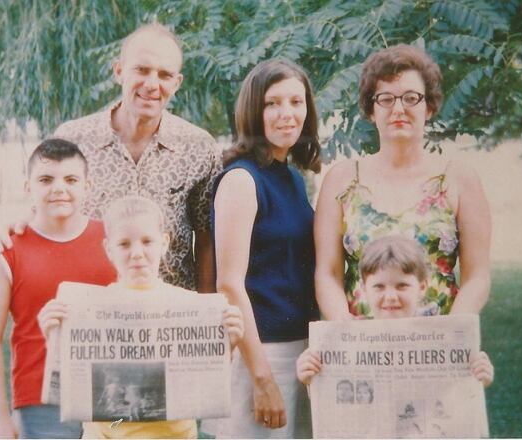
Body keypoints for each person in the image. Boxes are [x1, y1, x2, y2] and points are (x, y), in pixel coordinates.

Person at [0, 22, 222, 294]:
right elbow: (43, 214)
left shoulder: (199, 147)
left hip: (169, 311)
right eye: (142, 70)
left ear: (177, 83)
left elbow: (206, 240)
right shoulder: (73, 140)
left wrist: (206, 308)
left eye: (164, 75)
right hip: (92, 307)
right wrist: (11, 229)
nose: (151, 84)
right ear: (119, 71)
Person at [37, 196, 244, 439]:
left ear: (164, 243)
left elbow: (206, 383)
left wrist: (227, 344)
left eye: (147, 241)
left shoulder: (186, 304)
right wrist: (55, 335)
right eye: (124, 244)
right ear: (109, 249)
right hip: (108, 434)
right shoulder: (89, 308)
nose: (137, 253)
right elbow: (74, 382)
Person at [314, 44, 491, 319]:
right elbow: (328, 274)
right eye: (386, 99)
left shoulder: (459, 179)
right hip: (360, 341)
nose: (398, 108)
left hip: (438, 341)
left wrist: (452, 332)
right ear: (371, 110)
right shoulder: (341, 180)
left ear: (429, 107)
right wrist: (346, 331)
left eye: (411, 98)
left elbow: (477, 276)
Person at [210, 59, 321, 438]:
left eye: (296, 102)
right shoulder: (242, 180)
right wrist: (262, 377)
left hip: (301, 349)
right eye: (272, 103)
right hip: (260, 355)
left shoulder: (291, 177)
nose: (287, 113)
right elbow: (228, 285)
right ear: (253, 111)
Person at [0, 139, 118, 438]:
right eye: (45, 180)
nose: (59, 188)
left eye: (71, 180)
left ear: (87, 187)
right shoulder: (7, 251)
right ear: (28, 188)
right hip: (40, 401)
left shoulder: (114, 240)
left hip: (111, 391)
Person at [297, 235, 494, 389]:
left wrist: (479, 376)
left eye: (402, 286)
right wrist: (309, 374)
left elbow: (458, 393)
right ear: (364, 289)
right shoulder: (347, 339)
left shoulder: (443, 339)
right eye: (379, 287)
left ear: (422, 287)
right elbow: (330, 392)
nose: (390, 296)